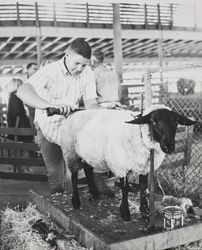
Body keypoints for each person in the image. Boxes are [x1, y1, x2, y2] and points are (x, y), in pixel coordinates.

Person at [17, 38, 112, 195]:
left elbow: (90, 104)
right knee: (55, 177)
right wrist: (49, 105)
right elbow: (23, 91)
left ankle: (71, 210)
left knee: (72, 175)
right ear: (67, 54)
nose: (80, 68)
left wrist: (107, 111)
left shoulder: (87, 73)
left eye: (84, 64)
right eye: (77, 63)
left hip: (70, 131)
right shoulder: (49, 71)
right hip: (48, 129)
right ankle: (58, 209)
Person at [6, 78, 34, 143]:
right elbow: (18, 113)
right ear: (18, 86)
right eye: (22, 86)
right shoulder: (15, 98)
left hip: (15, 126)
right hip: (18, 128)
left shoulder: (13, 97)